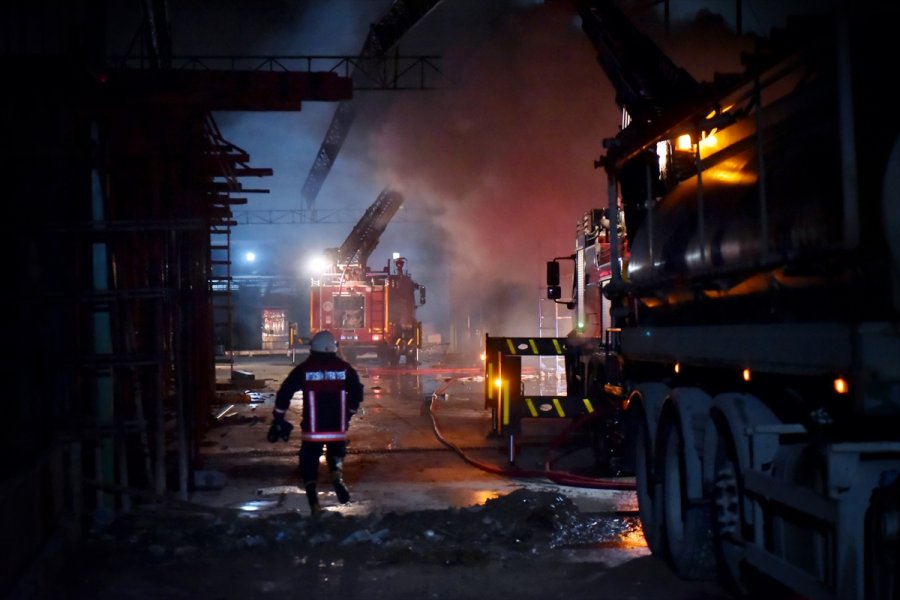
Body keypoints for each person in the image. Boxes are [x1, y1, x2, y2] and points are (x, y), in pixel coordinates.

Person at [268, 330, 364, 515]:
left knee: (309, 461)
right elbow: (357, 393)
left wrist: (279, 417)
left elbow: (285, 392)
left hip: (313, 429)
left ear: (313, 348)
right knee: (336, 453)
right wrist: (348, 414)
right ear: (334, 348)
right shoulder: (345, 369)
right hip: (337, 428)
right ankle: (336, 475)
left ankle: (313, 501)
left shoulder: (304, 369)